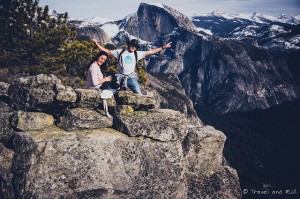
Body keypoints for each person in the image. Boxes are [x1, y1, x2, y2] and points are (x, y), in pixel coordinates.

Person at [92, 38, 172, 94]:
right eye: (132, 45)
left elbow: (152, 51)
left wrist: (163, 47)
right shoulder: (120, 52)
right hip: (119, 77)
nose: (134, 47)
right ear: (129, 44)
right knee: (111, 92)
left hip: (131, 78)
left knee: (139, 94)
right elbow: (107, 51)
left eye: (135, 46)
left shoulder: (138, 54)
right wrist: (96, 44)